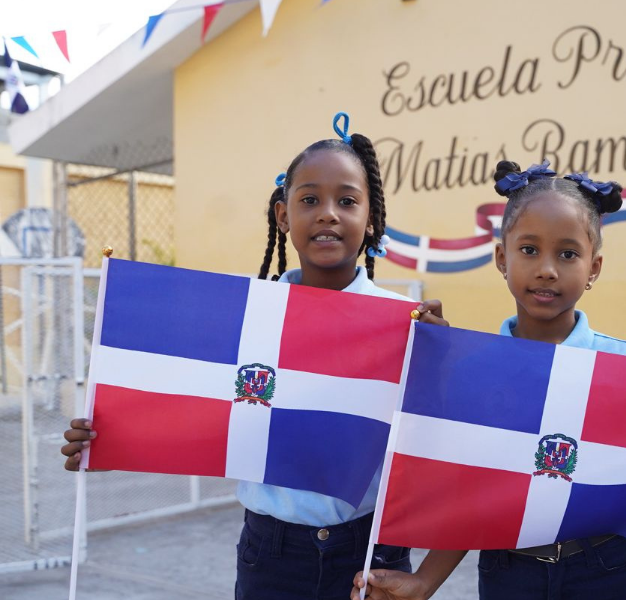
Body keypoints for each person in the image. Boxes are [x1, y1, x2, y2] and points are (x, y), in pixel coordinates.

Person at [61, 112, 450, 600]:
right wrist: (112, 442)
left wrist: (441, 364)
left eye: (347, 201)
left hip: (371, 551)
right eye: (309, 200)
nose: (328, 213)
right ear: (283, 216)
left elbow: (438, 443)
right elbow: (196, 410)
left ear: (371, 219)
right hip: (271, 554)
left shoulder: (407, 325)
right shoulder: (248, 321)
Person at [351, 161, 626, 600]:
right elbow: (473, 493)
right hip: (508, 569)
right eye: (529, 250)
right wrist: (425, 581)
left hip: (603, 568)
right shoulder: (476, 370)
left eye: (568, 254)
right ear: (502, 259)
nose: (547, 269)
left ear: (594, 267)